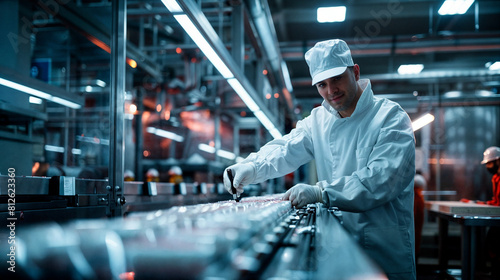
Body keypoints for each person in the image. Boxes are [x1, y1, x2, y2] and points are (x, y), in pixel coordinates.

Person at [223, 39, 416, 280]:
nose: (330, 90)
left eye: (337, 79)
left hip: (382, 249)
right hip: (335, 242)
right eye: (322, 84)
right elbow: (286, 148)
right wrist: (252, 166)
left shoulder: (390, 117)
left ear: (355, 72)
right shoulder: (319, 120)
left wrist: (321, 192)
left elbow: (382, 179)